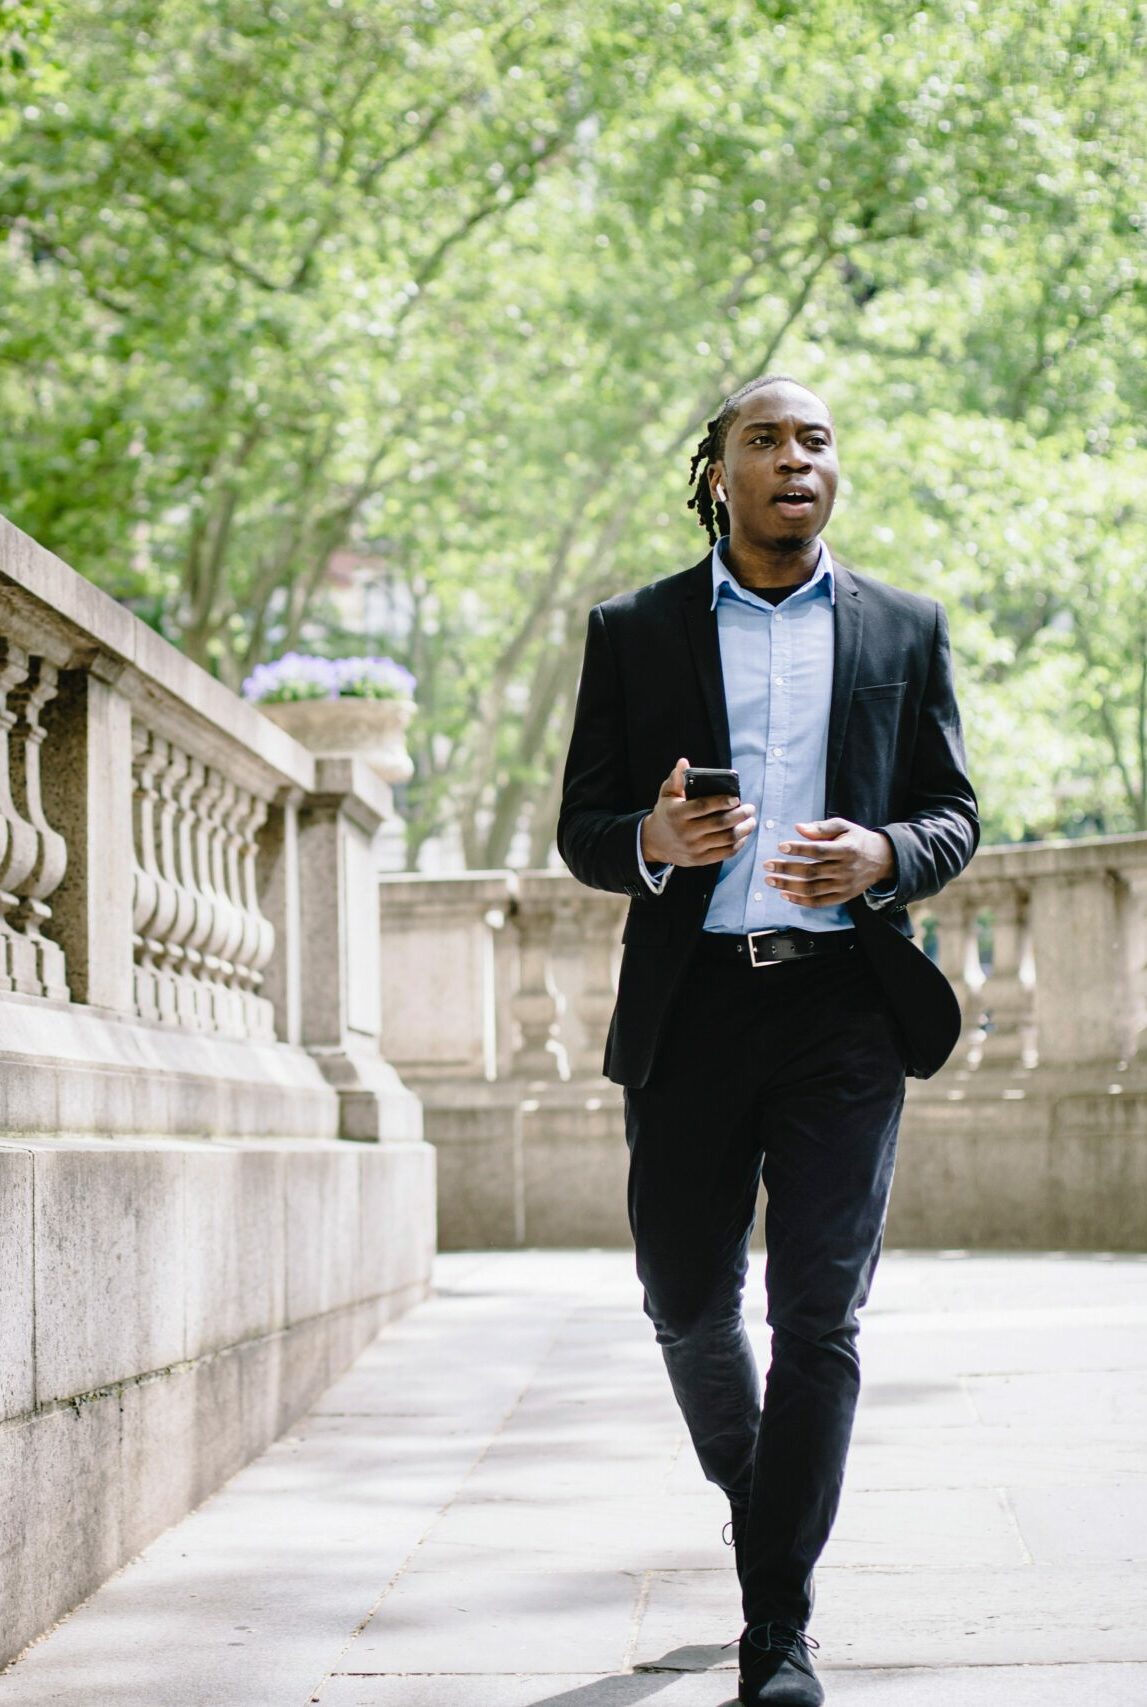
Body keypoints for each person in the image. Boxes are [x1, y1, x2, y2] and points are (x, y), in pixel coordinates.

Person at [555, 374, 979, 1706]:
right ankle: (767, 1513)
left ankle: (776, 1624)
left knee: (820, 1317)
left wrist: (883, 853)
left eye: (814, 438)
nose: (794, 458)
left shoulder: (906, 630)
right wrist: (652, 843)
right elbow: (584, 828)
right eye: (764, 440)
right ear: (717, 476)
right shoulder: (636, 631)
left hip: (845, 1009)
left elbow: (955, 815)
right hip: (693, 1011)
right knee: (685, 1298)